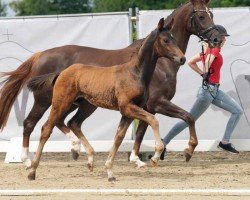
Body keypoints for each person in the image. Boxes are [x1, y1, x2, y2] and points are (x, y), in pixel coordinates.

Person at [162, 25, 243, 154]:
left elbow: (191, 62)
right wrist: (204, 71)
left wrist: (202, 73)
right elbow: (206, 63)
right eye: (223, 37)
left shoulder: (209, 51)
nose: (225, 40)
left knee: (237, 111)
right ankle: (163, 142)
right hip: (207, 92)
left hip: (214, 90)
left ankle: (225, 142)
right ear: (217, 38)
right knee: (188, 120)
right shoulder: (214, 50)